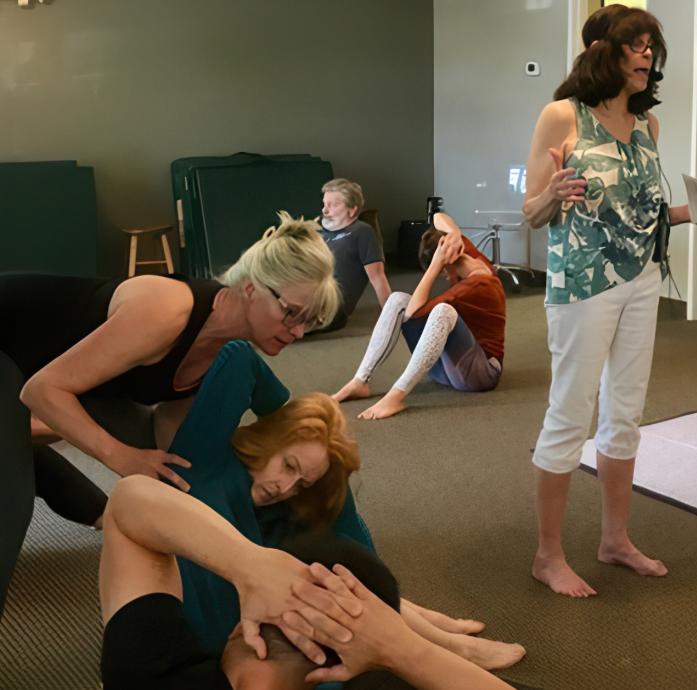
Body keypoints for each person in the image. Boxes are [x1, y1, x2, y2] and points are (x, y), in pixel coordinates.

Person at [0, 211, 338, 616]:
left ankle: (95, 509)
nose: (299, 332)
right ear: (251, 288)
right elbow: (42, 391)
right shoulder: (169, 310)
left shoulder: (220, 354)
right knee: (11, 500)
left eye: (310, 322)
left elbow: (168, 446)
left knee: (156, 464)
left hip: (51, 371)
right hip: (11, 349)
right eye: (292, 314)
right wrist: (118, 456)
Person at [523, 5, 697, 598]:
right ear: (603, 52)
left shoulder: (648, 128)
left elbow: (644, 215)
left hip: (640, 282)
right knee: (570, 411)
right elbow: (532, 213)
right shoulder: (562, 116)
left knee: (626, 413)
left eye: (650, 46)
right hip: (581, 287)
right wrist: (555, 194)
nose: (647, 55)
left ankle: (614, 540)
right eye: (635, 45)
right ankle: (547, 555)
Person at [172, 340, 524, 670]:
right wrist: (283, 414)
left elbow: (338, 533)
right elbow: (239, 356)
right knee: (323, 566)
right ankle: (442, 642)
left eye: (298, 481)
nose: (285, 487)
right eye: (288, 465)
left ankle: (402, 609)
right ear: (271, 438)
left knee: (331, 484)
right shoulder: (206, 459)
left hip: (258, 566)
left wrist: (311, 464)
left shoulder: (275, 497)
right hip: (230, 622)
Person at [99, 474, 516, 689]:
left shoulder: (151, 675)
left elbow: (129, 501)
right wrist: (401, 649)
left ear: (247, 625)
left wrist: (251, 564)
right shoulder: (381, 682)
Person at [332, 212, 506, 420]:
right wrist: (454, 233)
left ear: (447, 261)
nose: (445, 276)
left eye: (443, 271)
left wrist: (434, 267)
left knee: (442, 311)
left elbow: (413, 314)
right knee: (397, 299)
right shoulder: (463, 251)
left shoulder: (478, 285)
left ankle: (396, 396)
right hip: (450, 368)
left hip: (480, 375)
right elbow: (439, 217)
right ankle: (360, 380)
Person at [315, 178, 391, 333]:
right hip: (306, 293)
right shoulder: (318, 229)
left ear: (352, 210)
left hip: (331, 308)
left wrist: (392, 317)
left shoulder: (362, 232)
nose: (325, 210)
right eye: (325, 204)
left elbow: (377, 277)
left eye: (334, 204)